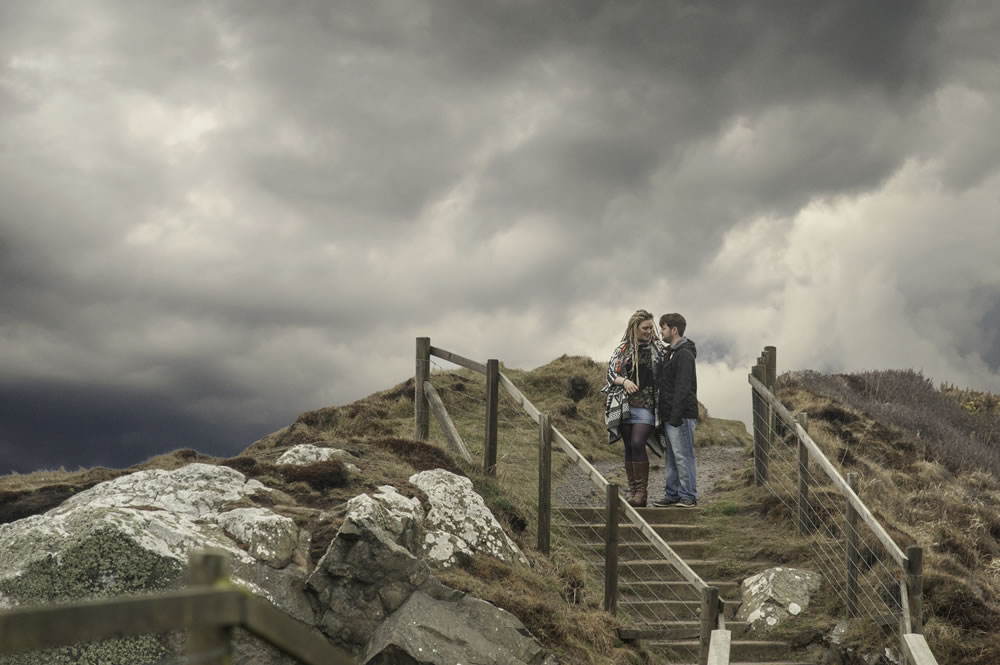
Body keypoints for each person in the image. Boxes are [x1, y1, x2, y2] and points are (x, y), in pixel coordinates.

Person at [602, 309, 668, 507]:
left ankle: (642, 492)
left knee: (638, 443)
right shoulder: (623, 348)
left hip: (647, 406)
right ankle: (634, 494)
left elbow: (668, 369)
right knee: (629, 446)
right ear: (634, 328)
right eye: (645, 328)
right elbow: (610, 373)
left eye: (651, 328)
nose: (649, 331)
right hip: (625, 405)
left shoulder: (658, 348)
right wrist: (624, 381)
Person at [653, 312, 699, 507]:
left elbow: (683, 386)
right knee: (672, 457)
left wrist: (676, 415)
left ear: (674, 330)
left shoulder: (684, 354)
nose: (661, 331)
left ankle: (688, 495)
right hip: (670, 414)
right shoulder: (672, 353)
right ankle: (672, 494)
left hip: (680, 415)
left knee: (683, 455)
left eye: (663, 328)